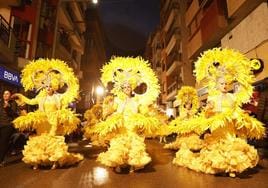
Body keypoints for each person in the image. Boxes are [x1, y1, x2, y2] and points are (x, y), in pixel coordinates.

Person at [0, 90, 18, 167]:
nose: (5, 95)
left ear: (10, 96)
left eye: (7, 94)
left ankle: (0, 160)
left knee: (3, 142)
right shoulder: (0, 102)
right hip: (0, 124)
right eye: (4, 94)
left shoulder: (13, 103)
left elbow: (14, 114)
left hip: (8, 125)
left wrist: (8, 108)